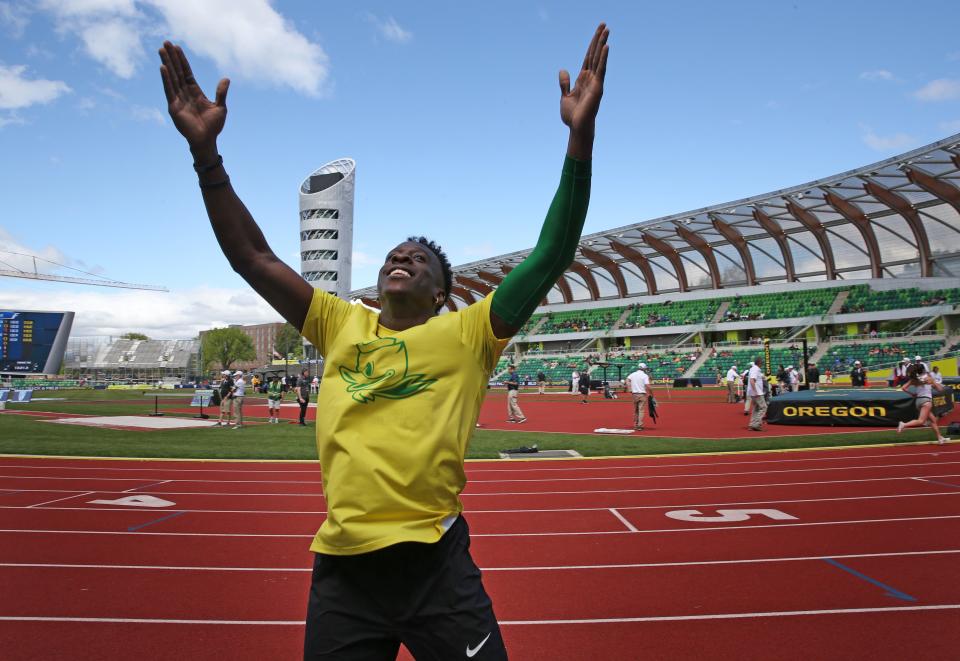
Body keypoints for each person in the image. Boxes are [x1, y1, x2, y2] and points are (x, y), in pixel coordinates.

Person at [159, 22, 608, 659]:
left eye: (421, 257)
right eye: (396, 252)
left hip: (437, 570)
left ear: (441, 294)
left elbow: (553, 252)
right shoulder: (339, 322)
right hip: (344, 575)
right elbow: (253, 257)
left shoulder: (470, 332)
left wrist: (579, 135)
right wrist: (207, 156)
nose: (404, 254)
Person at [897, 364, 949, 444]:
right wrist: (934, 383)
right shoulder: (928, 378)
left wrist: (912, 394)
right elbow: (940, 389)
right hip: (926, 401)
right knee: (921, 421)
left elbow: (903, 388)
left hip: (918, 401)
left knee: (933, 420)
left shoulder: (913, 379)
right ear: (924, 370)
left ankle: (940, 438)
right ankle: (903, 424)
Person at [625, 362, 652, 431]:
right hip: (642, 394)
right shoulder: (644, 375)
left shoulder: (633, 374)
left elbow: (627, 380)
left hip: (634, 394)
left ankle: (636, 425)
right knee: (641, 410)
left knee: (636, 410)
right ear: (644, 369)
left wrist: (629, 388)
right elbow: (647, 385)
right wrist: (651, 393)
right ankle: (640, 425)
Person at [746, 357, 766, 432]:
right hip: (757, 392)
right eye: (762, 362)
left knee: (756, 408)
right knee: (763, 407)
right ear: (759, 363)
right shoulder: (756, 369)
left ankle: (752, 424)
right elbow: (752, 380)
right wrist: (756, 391)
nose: (762, 364)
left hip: (753, 392)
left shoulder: (753, 369)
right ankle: (756, 424)